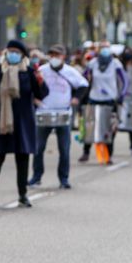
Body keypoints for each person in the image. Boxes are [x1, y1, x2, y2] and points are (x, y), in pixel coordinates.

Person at [0, 40, 46, 207]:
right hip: (2, 121)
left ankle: (23, 194)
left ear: (22, 55)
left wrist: (40, 81)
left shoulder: (29, 72)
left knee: (22, 158)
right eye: (10, 51)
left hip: (23, 121)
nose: (12, 54)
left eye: (16, 51)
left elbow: (41, 94)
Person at [30, 45, 88, 189]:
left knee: (64, 148)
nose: (55, 58)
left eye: (58, 55)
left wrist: (76, 98)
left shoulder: (70, 72)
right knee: (38, 147)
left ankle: (64, 178)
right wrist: (34, 99)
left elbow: (83, 85)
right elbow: (31, 86)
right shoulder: (42, 71)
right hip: (44, 112)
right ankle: (36, 176)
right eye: (52, 54)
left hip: (63, 113)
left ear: (63, 56)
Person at [79, 41, 127, 165]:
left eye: (107, 47)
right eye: (102, 48)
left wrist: (121, 95)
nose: (105, 50)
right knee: (89, 126)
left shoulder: (116, 64)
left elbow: (124, 80)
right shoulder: (93, 63)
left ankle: (108, 155)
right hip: (94, 98)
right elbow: (82, 78)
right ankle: (86, 152)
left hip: (110, 99)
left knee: (109, 128)